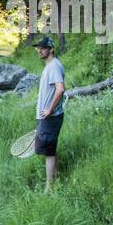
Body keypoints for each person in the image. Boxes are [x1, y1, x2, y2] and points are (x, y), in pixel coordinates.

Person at [33, 35, 66, 191]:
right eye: (38, 48)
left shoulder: (53, 66)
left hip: (50, 116)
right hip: (48, 116)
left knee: (48, 153)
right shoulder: (51, 65)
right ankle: (55, 179)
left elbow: (60, 89)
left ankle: (49, 188)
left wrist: (49, 110)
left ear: (51, 49)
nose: (39, 50)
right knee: (50, 149)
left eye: (43, 48)